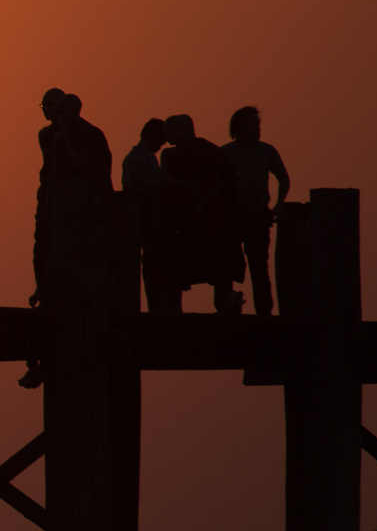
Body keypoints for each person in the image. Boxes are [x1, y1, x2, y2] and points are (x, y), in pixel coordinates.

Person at [21, 89, 111, 387]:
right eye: (49, 110)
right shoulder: (46, 136)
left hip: (80, 211)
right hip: (51, 201)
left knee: (68, 267)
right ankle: (42, 290)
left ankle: (51, 355)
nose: (53, 117)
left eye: (57, 111)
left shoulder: (89, 134)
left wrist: (67, 138)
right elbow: (53, 166)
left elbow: (82, 166)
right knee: (42, 251)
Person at [161, 114, 242, 314]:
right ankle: (174, 316)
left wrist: (201, 205)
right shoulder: (172, 154)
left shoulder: (206, 151)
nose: (167, 134)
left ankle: (228, 305)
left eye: (171, 129)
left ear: (184, 129)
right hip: (184, 219)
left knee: (219, 267)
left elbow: (220, 182)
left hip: (210, 220)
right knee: (178, 269)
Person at [221, 106, 290, 316]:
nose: (258, 128)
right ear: (241, 126)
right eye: (254, 124)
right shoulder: (225, 153)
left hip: (258, 217)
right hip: (231, 218)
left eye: (258, 124)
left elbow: (284, 179)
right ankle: (228, 306)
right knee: (227, 266)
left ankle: (264, 312)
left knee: (259, 266)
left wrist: (278, 205)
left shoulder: (266, 151)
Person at [121, 118, 184, 313]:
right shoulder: (147, 158)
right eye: (161, 140)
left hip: (134, 220)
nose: (162, 145)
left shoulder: (130, 157)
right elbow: (155, 186)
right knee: (155, 267)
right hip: (150, 220)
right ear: (154, 136)